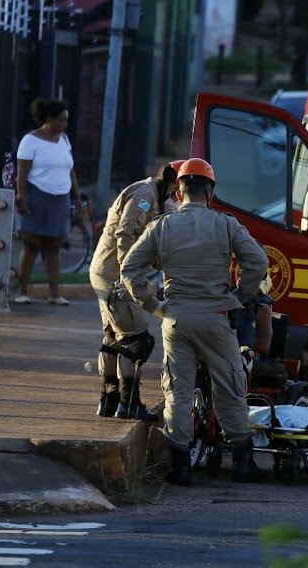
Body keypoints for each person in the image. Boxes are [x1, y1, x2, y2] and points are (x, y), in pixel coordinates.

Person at [120, 158, 269, 486]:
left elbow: (130, 269)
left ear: (179, 188)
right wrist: (240, 297)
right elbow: (257, 261)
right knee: (230, 387)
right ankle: (242, 463)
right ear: (211, 191)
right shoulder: (226, 225)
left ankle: (181, 466)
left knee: (178, 390)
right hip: (217, 318)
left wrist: (153, 305)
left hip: (176, 319)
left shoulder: (163, 226)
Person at [89, 162, 183, 420]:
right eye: (178, 186)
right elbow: (126, 233)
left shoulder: (154, 198)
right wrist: (127, 276)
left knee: (112, 339)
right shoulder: (144, 195)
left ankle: (109, 401)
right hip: (114, 273)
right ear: (172, 181)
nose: (178, 193)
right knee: (137, 339)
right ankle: (129, 403)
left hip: (104, 271)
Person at [14, 98, 82, 305]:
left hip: (60, 198)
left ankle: (54, 293)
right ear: (48, 119)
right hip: (37, 196)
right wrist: (21, 197)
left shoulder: (64, 141)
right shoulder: (30, 141)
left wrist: (76, 196)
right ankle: (23, 291)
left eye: (66, 121)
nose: (64, 125)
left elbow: (70, 169)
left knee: (55, 245)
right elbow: (22, 173)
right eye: (60, 121)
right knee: (32, 244)